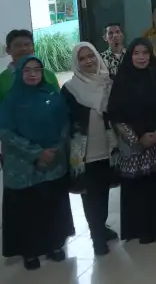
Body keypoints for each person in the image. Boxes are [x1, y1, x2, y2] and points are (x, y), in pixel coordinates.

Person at [107, 38, 156, 244]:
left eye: (145, 53)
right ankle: (141, 229)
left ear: (151, 54)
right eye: (136, 53)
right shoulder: (122, 81)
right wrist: (138, 138)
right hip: (134, 145)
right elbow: (115, 115)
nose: (141, 57)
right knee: (139, 188)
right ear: (130, 56)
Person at [0, 55, 74, 270]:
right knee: (27, 210)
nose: (33, 74)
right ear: (20, 73)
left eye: (37, 70)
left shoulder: (52, 94)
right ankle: (29, 252)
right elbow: (6, 133)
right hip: (23, 166)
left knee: (53, 206)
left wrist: (53, 150)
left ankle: (54, 245)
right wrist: (37, 153)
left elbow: (65, 123)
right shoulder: (12, 100)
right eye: (27, 70)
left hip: (53, 162)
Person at [61, 42, 118, 256]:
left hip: (109, 147)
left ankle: (101, 226)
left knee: (104, 190)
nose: (88, 61)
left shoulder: (108, 82)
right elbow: (65, 121)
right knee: (90, 193)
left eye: (91, 56)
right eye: (82, 59)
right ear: (76, 63)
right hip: (84, 152)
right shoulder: (70, 88)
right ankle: (96, 237)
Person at [0, 29, 59, 101]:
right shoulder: (2, 80)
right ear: (8, 50)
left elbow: (59, 102)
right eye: (17, 45)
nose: (23, 49)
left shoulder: (49, 75)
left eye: (27, 44)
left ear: (33, 48)